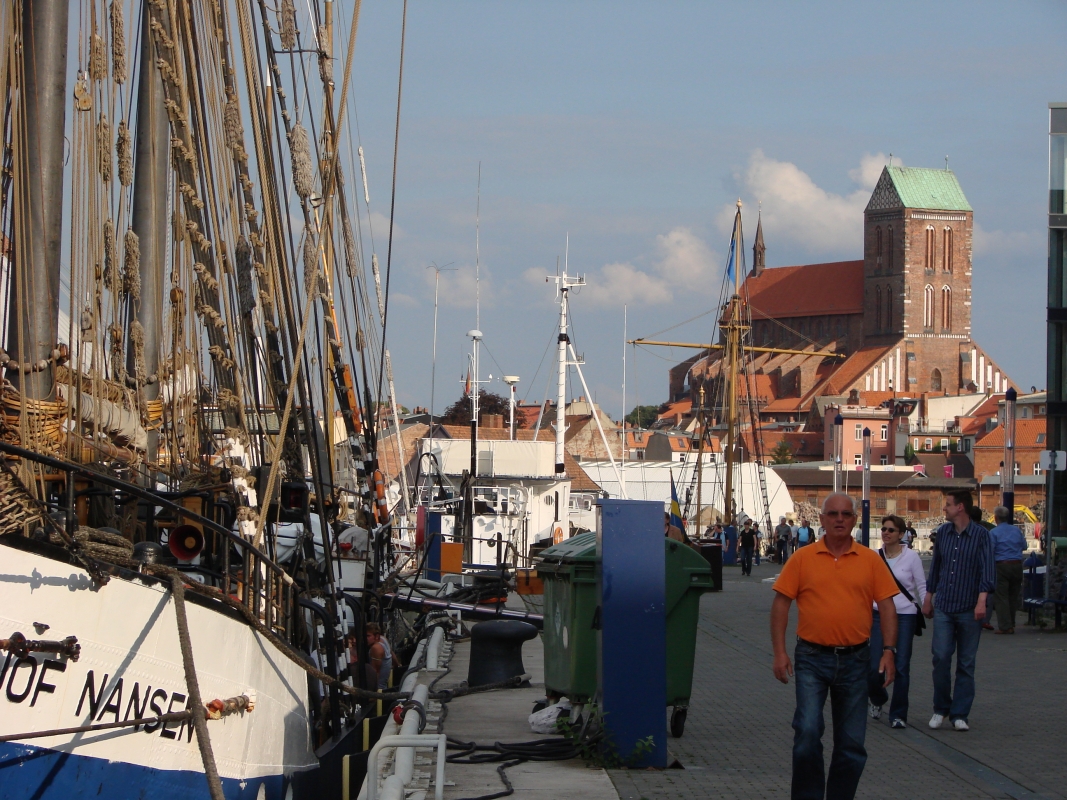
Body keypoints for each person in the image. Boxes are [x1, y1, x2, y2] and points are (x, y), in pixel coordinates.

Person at [771, 493, 900, 800]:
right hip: (812, 659)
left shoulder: (870, 561)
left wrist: (889, 651)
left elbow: (888, 606)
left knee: (852, 744)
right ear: (822, 519)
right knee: (807, 733)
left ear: (855, 520)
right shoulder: (802, 559)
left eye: (845, 514)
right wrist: (779, 652)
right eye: (832, 514)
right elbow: (780, 604)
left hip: (856, 659)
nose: (839, 519)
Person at [922, 490, 995, 732]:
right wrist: (929, 597)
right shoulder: (943, 533)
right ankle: (940, 708)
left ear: (960, 507)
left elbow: (987, 569)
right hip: (944, 604)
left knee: (966, 662)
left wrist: (982, 600)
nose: (945, 509)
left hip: (969, 606)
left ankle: (960, 713)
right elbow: (936, 567)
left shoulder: (982, 536)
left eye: (948, 505)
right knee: (941, 657)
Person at [867, 514, 926, 729]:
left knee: (901, 666)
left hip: (905, 615)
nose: (886, 533)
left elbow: (921, 585)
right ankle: (878, 698)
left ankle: (898, 714)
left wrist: (927, 604)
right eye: (884, 529)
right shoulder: (874, 556)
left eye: (891, 530)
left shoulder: (911, 558)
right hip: (878, 614)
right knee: (874, 667)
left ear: (901, 534)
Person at [989, 505, 1026, 634]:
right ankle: (1012, 623)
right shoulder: (1016, 531)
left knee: (1001, 597)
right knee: (1013, 595)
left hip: (1001, 565)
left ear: (995, 518)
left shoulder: (993, 533)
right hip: (1017, 565)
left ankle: (1005, 626)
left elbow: (990, 550)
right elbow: (1024, 546)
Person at [366, 622, 401, 691]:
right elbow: (391, 653)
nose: (365, 638)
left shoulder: (376, 648)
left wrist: (372, 691)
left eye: (368, 636)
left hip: (379, 687)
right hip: (384, 683)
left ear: (376, 636)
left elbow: (375, 671)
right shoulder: (383, 639)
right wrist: (397, 665)